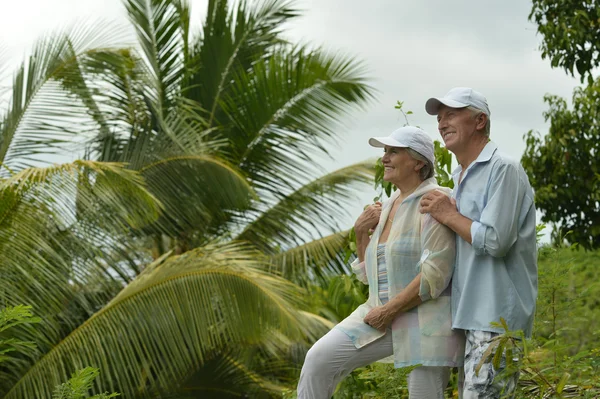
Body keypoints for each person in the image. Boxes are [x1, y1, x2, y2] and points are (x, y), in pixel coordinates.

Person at [297, 126, 465, 399]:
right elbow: (370, 277)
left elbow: (436, 274)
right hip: (378, 311)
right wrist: (362, 234)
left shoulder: (435, 200)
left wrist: (389, 311)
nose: (384, 158)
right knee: (318, 360)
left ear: (419, 162)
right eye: (384, 151)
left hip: (425, 319)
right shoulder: (386, 206)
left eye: (393, 151)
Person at [419, 87, 538, 398]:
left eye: (452, 115)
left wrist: (447, 214)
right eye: (440, 118)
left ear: (480, 121)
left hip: (496, 319)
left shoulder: (504, 168)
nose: (442, 123)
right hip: (467, 317)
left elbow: (497, 241)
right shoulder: (460, 175)